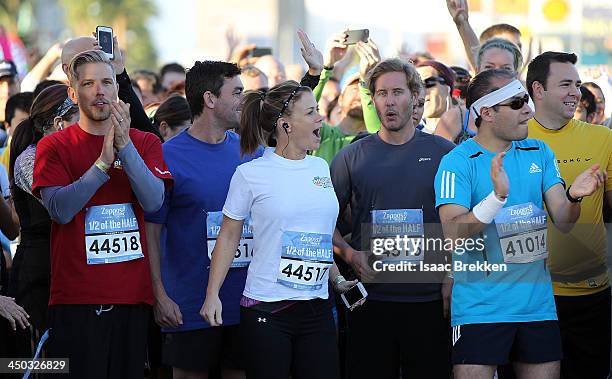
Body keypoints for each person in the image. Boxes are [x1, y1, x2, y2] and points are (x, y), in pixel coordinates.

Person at [435, 68, 606, 379]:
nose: (529, 109)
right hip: (480, 310)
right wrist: (495, 200)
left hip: (537, 306)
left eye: (526, 100)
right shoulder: (457, 161)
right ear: (486, 112)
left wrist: (574, 197)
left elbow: (565, 220)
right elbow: (452, 233)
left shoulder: (539, 151)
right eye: (516, 104)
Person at [201, 80, 358, 379]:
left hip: (317, 308)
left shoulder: (319, 168)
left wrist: (336, 278)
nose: (320, 118)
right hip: (267, 308)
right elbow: (229, 235)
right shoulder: (250, 174)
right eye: (311, 112)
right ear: (285, 125)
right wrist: (212, 294)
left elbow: (316, 237)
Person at [32, 50, 173, 378]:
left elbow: (154, 202)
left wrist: (125, 147)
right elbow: (61, 210)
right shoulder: (54, 147)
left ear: (118, 90)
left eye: (107, 83)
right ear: (73, 92)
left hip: (131, 298)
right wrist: (101, 165)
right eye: (89, 83)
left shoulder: (145, 141)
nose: (99, 91)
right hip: (75, 299)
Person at [331, 58, 455, 379]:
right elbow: (320, 221)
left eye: (397, 91)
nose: (389, 100)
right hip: (371, 302)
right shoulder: (351, 157)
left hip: (429, 302)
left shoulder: (444, 153)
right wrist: (349, 253)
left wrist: (453, 276)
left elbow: (462, 223)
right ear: (373, 100)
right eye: (381, 93)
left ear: (415, 96)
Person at [146, 61, 261, 379]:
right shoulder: (167, 155)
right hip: (189, 305)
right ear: (210, 99)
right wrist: (159, 295)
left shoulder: (252, 152)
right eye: (237, 92)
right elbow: (151, 232)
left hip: (245, 302)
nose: (243, 99)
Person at [526, 52, 612, 379]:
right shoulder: (512, 141)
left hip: (591, 297)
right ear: (538, 89)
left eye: (577, 84)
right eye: (565, 84)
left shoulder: (603, 139)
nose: (575, 92)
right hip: (529, 298)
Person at [7, 84, 79, 358]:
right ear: (59, 123)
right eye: (79, 116)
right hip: (38, 274)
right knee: (38, 359)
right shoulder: (31, 158)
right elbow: (64, 206)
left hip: (68, 269)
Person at [61, 36, 162, 139]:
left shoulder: (114, 101)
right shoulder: (57, 102)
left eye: (101, 54)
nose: (97, 62)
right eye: (86, 58)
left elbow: (150, 138)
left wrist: (119, 71)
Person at [435, 38, 523, 144]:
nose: (496, 74)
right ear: (477, 71)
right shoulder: (455, 118)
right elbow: (437, 159)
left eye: (506, 69)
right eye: (489, 67)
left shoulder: (526, 116)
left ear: (516, 76)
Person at [446, 0, 523, 73]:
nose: (512, 52)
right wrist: (462, 24)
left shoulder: (529, 85)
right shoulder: (476, 84)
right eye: (501, 46)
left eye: (517, 47)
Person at [416, 60, 455, 134]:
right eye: (415, 87)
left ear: (447, 87)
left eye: (427, 83)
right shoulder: (408, 139)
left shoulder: (471, 132)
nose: (420, 92)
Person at [0, 91, 33, 170]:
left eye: (35, 120)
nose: (31, 127)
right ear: (8, 127)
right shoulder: (3, 159)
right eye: (24, 122)